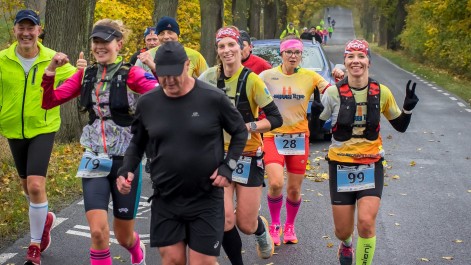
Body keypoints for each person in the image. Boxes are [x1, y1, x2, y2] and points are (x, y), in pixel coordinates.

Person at [116, 41, 248, 265]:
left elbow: (240, 132)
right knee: (172, 260)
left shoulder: (212, 98)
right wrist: (126, 169)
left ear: (187, 65)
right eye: (163, 75)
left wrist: (228, 167)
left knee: (202, 263)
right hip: (166, 197)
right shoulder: (148, 103)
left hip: (205, 197)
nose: (169, 81)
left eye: (174, 74)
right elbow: (137, 143)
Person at [41, 19, 158, 265]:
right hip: (94, 157)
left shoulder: (132, 74)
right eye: (96, 41)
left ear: (119, 44)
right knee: (97, 232)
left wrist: (154, 67)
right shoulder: (86, 75)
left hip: (126, 160)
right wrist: (50, 70)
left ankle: (137, 249)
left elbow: (168, 92)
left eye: (106, 41)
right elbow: (50, 100)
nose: (100, 46)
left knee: (124, 236)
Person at [319, 39, 419, 265]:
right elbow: (316, 126)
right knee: (342, 230)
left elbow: (400, 125)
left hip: (371, 164)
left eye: (361, 56)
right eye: (351, 57)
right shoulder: (333, 94)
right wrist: (315, 115)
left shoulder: (381, 92)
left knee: (365, 222)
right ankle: (346, 245)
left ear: (368, 62)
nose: (356, 61)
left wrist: (408, 108)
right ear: (345, 61)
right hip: (340, 165)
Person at [0, 9, 79, 265]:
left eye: (30, 28)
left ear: (39, 30)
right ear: (14, 30)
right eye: (21, 28)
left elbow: (77, 81)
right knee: (26, 187)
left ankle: (34, 245)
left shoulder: (52, 58)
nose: (26, 33)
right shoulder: (2, 59)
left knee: (35, 185)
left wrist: (81, 69)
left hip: (43, 127)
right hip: (13, 128)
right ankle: (44, 218)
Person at [199, 26, 283, 263]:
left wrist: (248, 127)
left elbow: (275, 118)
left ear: (241, 48)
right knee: (225, 219)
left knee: (244, 224)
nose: (227, 50)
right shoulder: (208, 78)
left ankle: (259, 228)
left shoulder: (252, 80)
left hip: (248, 155)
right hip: (219, 156)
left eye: (231, 45)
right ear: (217, 50)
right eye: (221, 46)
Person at [258, 37, 331, 246]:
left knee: (294, 190)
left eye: (297, 53)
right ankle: (275, 225)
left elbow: (332, 92)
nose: (293, 56)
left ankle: (289, 225)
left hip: (299, 138)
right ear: (282, 54)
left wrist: (339, 77)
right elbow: (250, 92)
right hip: (274, 136)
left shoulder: (310, 76)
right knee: (275, 183)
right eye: (289, 52)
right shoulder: (267, 76)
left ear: (301, 56)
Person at [136, 16, 208, 78]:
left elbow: (208, 81)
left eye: (170, 32)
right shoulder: (146, 57)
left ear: (178, 35)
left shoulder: (195, 56)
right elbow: (133, 87)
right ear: (158, 36)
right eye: (161, 33)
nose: (166, 37)